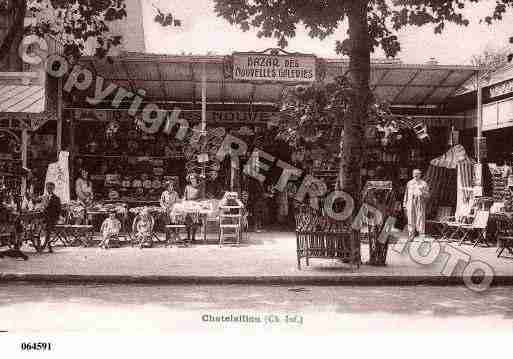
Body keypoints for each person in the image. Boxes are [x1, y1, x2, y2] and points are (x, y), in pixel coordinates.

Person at [403, 169, 430, 241]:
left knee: (420, 218)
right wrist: (404, 203)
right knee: (411, 219)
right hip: (410, 202)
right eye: (414, 174)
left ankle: (421, 236)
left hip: (420, 202)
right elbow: (406, 194)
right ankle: (411, 236)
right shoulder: (409, 183)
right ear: (412, 175)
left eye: (417, 174)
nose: (416, 175)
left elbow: (428, 195)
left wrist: (423, 191)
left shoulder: (424, 183)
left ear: (420, 175)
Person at [42, 182, 62, 253]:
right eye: (48, 188)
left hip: (52, 218)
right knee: (45, 230)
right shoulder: (43, 197)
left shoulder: (56, 198)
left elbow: (59, 210)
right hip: (43, 217)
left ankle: (48, 245)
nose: (49, 189)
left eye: (50, 188)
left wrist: (57, 218)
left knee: (49, 230)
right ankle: (45, 244)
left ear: (53, 189)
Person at [183, 174, 202, 243]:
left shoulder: (199, 187)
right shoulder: (187, 187)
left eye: (193, 178)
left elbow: (201, 198)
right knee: (187, 220)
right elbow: (185, 196)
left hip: (195, 205)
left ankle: (193, 237)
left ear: (196, 179)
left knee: (195, 220)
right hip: (188, 205)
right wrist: (184, 201)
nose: (192, 179)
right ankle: (188, 236)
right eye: (191, 178)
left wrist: (196, 202)